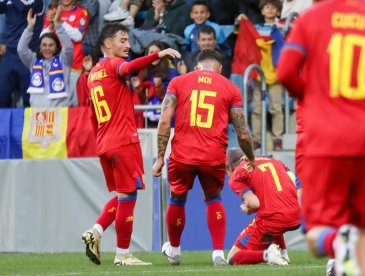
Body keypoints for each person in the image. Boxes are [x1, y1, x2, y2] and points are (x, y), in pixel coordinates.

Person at [277, 0, 365, 275]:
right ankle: (346, 245)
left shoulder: (310, 20)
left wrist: (317, 101)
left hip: (326, 140)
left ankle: (338, 243)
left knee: (317, 236)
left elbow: (285, 72)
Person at [81, 22, 181, 266]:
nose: (127, 45)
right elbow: (128, 67)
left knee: (124, 194)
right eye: (122, 40)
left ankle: (95, 231)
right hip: (123, 140)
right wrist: (157, 54)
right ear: (108, 44)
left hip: (105, 141)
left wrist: (101, 140)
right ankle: (122, 254)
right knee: (128, 196)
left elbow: (92, 113)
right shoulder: (114, 64)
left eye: (127, 41)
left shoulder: (93, 73)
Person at [152, 49, 255, 266]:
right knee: (214, 198)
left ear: (196, 67)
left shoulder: (178, 82)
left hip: (182, 155)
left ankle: (175, 250)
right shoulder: (230, 87)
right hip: (213, 156)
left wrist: (160, 156)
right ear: (219, 69)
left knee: (177, 198)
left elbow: (164, 121)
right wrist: (250, 157)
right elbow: (243, 133)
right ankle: (218, 253)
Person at [225, 147, 301, 266]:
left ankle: (267, 255)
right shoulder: (274, 161)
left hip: (273, 219)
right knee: (272, 212)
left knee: (232, 258)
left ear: (229, 167)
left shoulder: (237, 174)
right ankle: (283, 254)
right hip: (296, 216)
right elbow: (296, 180)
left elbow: (254, 204)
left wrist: (247, 209)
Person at [17, 8, 73, 108]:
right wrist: (29, 28)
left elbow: (68, 48)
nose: (47, 48)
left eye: (51, 45)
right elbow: (21, 49)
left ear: (57, 47)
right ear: (40, 47)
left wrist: (59, 27)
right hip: (38, 115)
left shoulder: (64, 61)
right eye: (44, 45)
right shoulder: (33, 61)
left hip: (60, 114)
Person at [251, 0, 284, 151]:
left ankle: (277, 138)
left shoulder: (282, 27)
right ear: (262, 11)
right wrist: (241, 22)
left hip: (276, 73)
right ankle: (256, 139)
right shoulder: (255, 28)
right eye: (267, 7)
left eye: (273, 7)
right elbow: (244, 37)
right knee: (257, 107)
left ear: (278, 11)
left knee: (276, 107)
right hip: (258, 72)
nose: (270, 10)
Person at [42, 0, 89, 106]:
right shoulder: (51, 12)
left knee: (73, 102)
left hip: (74, 65)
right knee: (54, 102)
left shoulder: (82, 13)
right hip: (53, 65)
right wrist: (51, 25)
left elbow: (78, 36)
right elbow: (43, 38)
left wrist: (61, 22)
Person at [0, 0, 44, 108]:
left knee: (29, 100)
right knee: (2, 96)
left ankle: (29, 124)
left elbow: (24, 8)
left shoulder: (38, 2)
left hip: (28, 57)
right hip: (9, 55)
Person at [135, 40, 180, 128]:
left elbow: (172, 96)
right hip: (147, 116)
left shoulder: (171, 71)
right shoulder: (142, 72)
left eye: (157, 52)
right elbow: (142, 99)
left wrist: (159, 87)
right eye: (151, 52)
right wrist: (138, 89)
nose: (154, 55)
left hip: (166, 116)